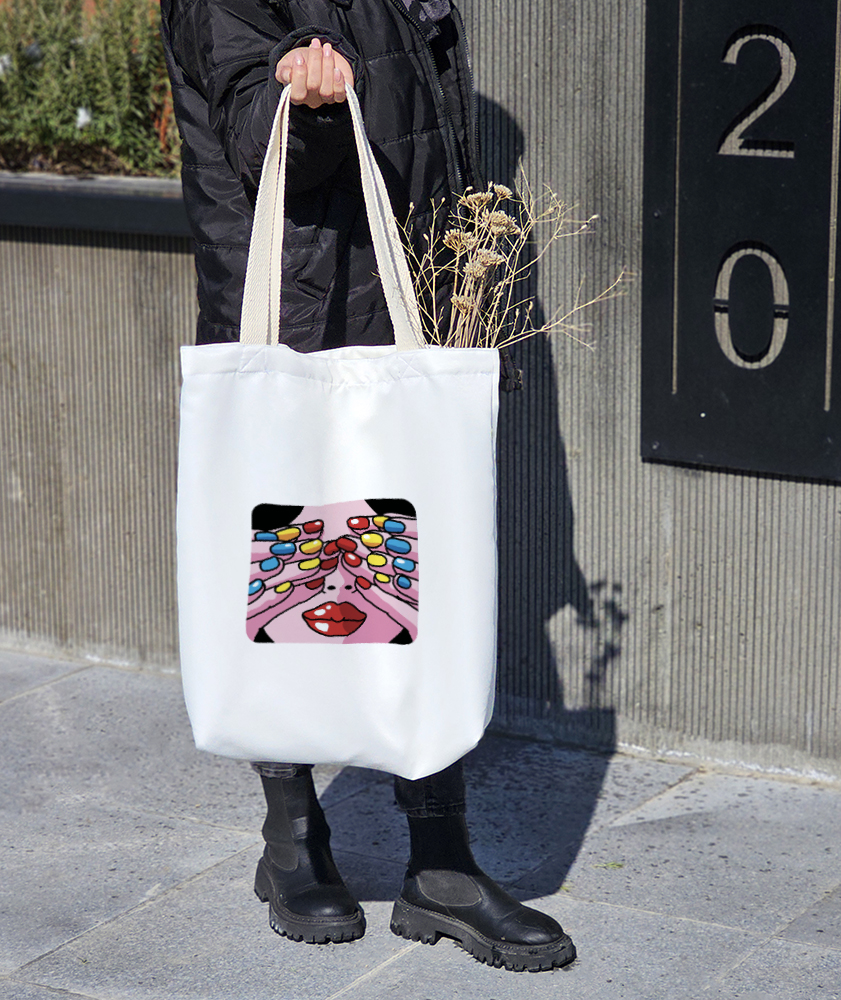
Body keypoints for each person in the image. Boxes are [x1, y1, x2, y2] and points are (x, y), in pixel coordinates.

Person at [159, 0, 575, 973]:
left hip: (399, 300)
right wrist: (301, 105)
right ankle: (293, 836)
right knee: (296, 577)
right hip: (301, 301)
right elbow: (254, 133)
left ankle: (441, 860)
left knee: (413, 576)